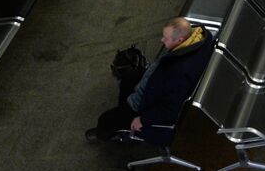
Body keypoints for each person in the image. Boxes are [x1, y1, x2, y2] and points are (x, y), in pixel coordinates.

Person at [86, 18, 214, 144]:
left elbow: (169, 108)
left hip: (148, 104)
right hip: (157, 84)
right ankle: (122, 112)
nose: (162, 40)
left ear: (180, 40)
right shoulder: (200, 40)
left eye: (166, 38)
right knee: (128, 80)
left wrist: (143, 119)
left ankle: (106, 134)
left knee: (106, 120)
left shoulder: (179, 71)